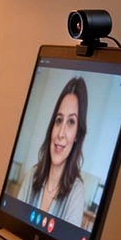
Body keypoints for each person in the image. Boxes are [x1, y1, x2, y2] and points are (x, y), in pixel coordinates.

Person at [18, 76, 88, 227]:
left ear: (77, 135)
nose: (60, 133)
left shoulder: (76, 192)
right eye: (59, 120)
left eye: (71, 122)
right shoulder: (32, 176)